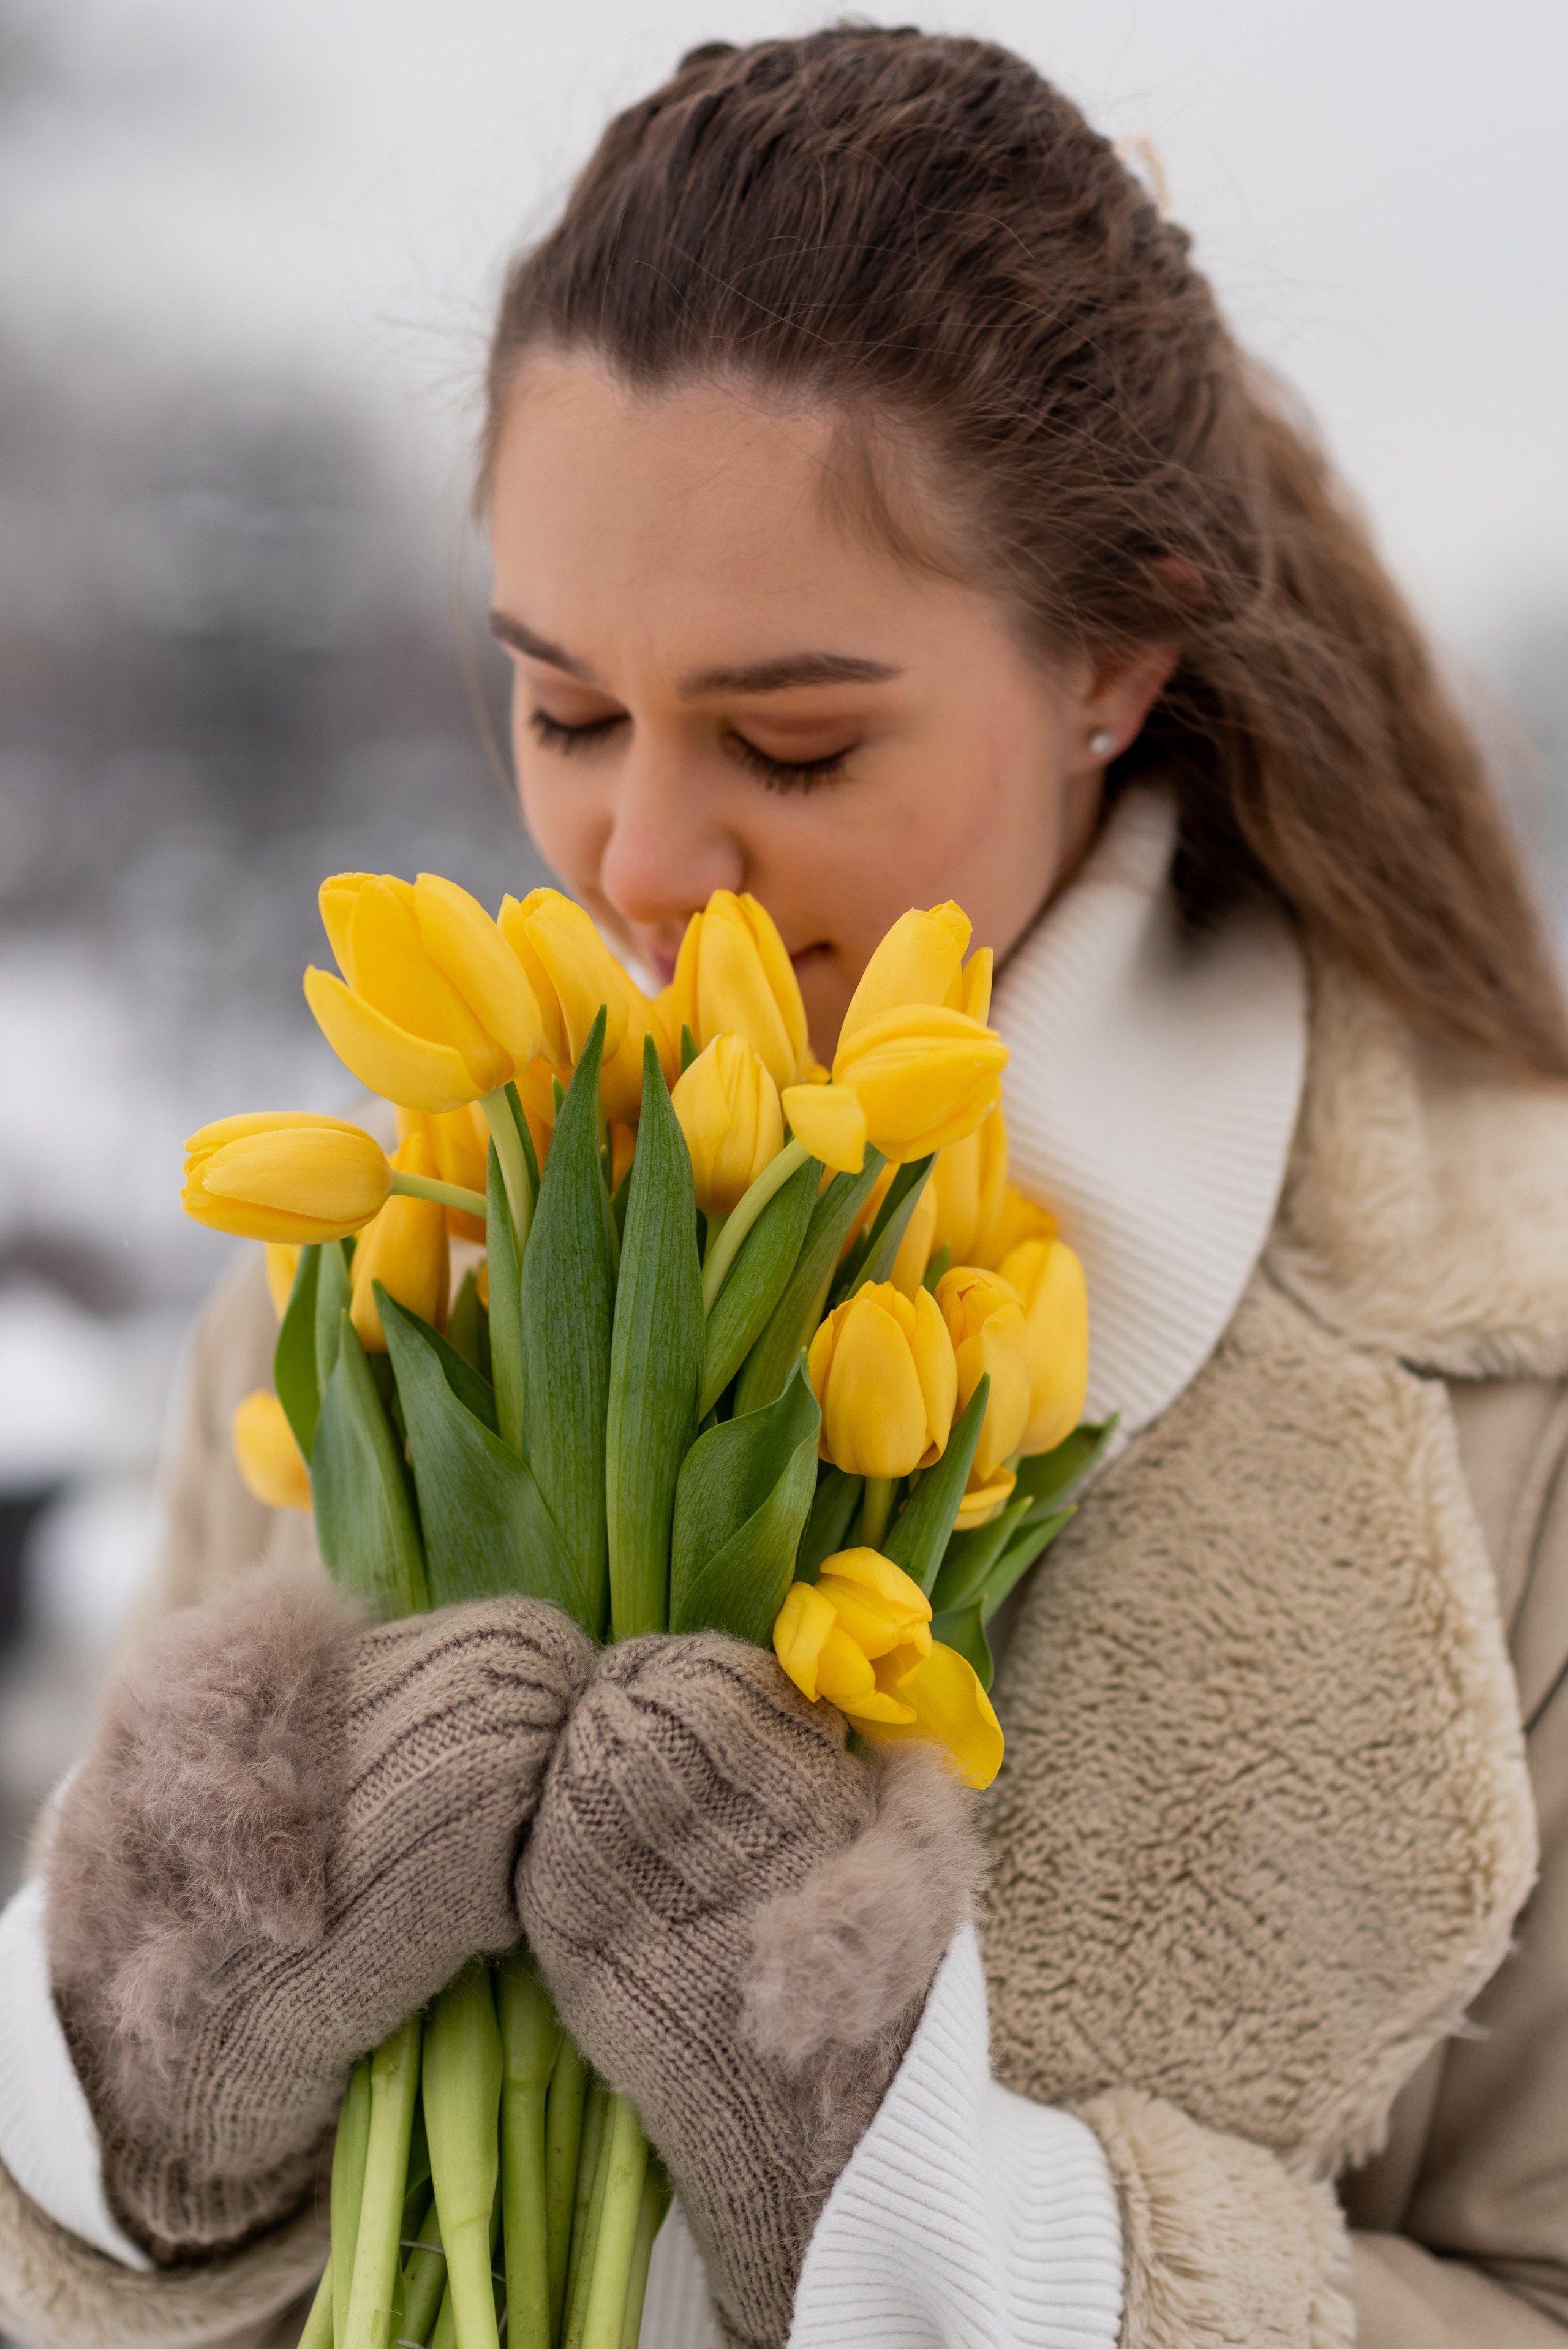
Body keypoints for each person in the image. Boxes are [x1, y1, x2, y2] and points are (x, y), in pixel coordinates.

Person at [2, 25, 1566, 2348]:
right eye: (560, 706)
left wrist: (965, 2241)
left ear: (1116, 661)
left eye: (795, 740)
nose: (642, 860)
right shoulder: (385, 1270)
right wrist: (122, 2101)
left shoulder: (1505, 1385)